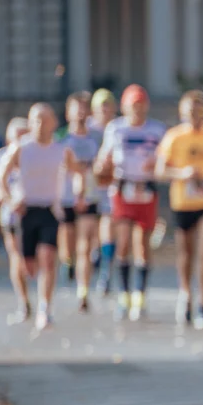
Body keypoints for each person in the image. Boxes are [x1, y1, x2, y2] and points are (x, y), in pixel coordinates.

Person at [0, 104, 86, 331]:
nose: (39, 125)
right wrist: (11, 200)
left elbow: (78, 173)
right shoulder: (21, 148)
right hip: (24, 210)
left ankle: (44, 309)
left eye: (44, 120)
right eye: (35, 120)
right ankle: (24, 302)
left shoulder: (61, 149)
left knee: (48, 258)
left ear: (53, 123)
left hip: (49, 209)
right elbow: (2, 177)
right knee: (26, 265)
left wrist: (79, 194)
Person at [157, 90, 203, 328]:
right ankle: (186, 294)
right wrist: (182, 174)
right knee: (186, 252)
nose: (195, 116)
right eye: (190, 111)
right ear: (181, 113)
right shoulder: (174, 137)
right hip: (184, 200)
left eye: (199, 111)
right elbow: (160, 171)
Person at [95, 85, 167, 321]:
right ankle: (124, 295)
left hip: (146, 188)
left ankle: (140, 295)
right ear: (125, 107)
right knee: (123, 240)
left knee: (143, 242)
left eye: (141, 105)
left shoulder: (157, 130)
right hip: (123, 188)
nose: (137, 110)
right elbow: (104, 158)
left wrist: (157, 164)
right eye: (133, 105)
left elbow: (166, 158)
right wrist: (103, 167)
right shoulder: (116, 129)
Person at [60, 93, 101, 312]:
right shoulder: (61, 139)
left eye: (85, 108)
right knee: (69, 244)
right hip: (66, 197)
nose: (81, 113)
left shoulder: (96, 138)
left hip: (90, 197)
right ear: (68, 113)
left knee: (85, 245)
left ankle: (83, 291)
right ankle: (68, 261)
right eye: (77, 109)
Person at [0, 117, 30, 323]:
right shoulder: (2, 158)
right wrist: (11, 201)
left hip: (37, 214)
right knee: (16, 257)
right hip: (11, 216)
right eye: (16, 138)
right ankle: (24, 301)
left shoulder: (37, 156)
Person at [89, 89, 118, 296]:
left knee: (108, 222)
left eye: (108, 106)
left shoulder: (118, 128)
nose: (105, 111)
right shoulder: (88, 129)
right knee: (91, 226)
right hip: (90, 184)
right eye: (102, 107)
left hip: (110, 184)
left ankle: (106, 268)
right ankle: (92, 253)